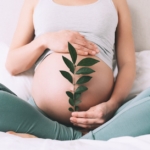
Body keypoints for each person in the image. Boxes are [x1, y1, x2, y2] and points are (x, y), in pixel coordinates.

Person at [1, 0, 146, 140]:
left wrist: (111, 105)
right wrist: (45, 41)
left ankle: (48, 133)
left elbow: (127, 63)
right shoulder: (35, 1)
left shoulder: (115, 1)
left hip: (103, 118)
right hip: (40, 114)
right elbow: (13, 64)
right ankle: (82, 137)